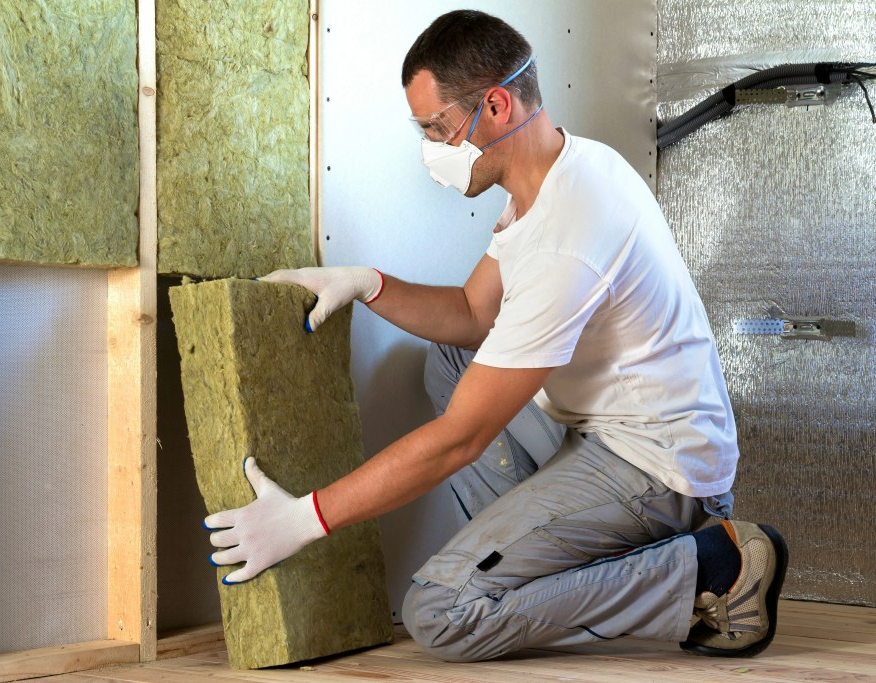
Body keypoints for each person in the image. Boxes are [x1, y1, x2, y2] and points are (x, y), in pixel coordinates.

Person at [203, 9, 788, 662]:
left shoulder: (569, 233)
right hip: (607, 432)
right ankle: (540, 565)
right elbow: (472, 313)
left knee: (443, 611)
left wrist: (305, 518)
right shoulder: (549, 178)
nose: (431, 149)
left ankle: (714, 569)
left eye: (438, 128)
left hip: (660, 470)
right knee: (452, 358)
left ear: (497, 105)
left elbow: (463, 438)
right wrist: (367, 283)